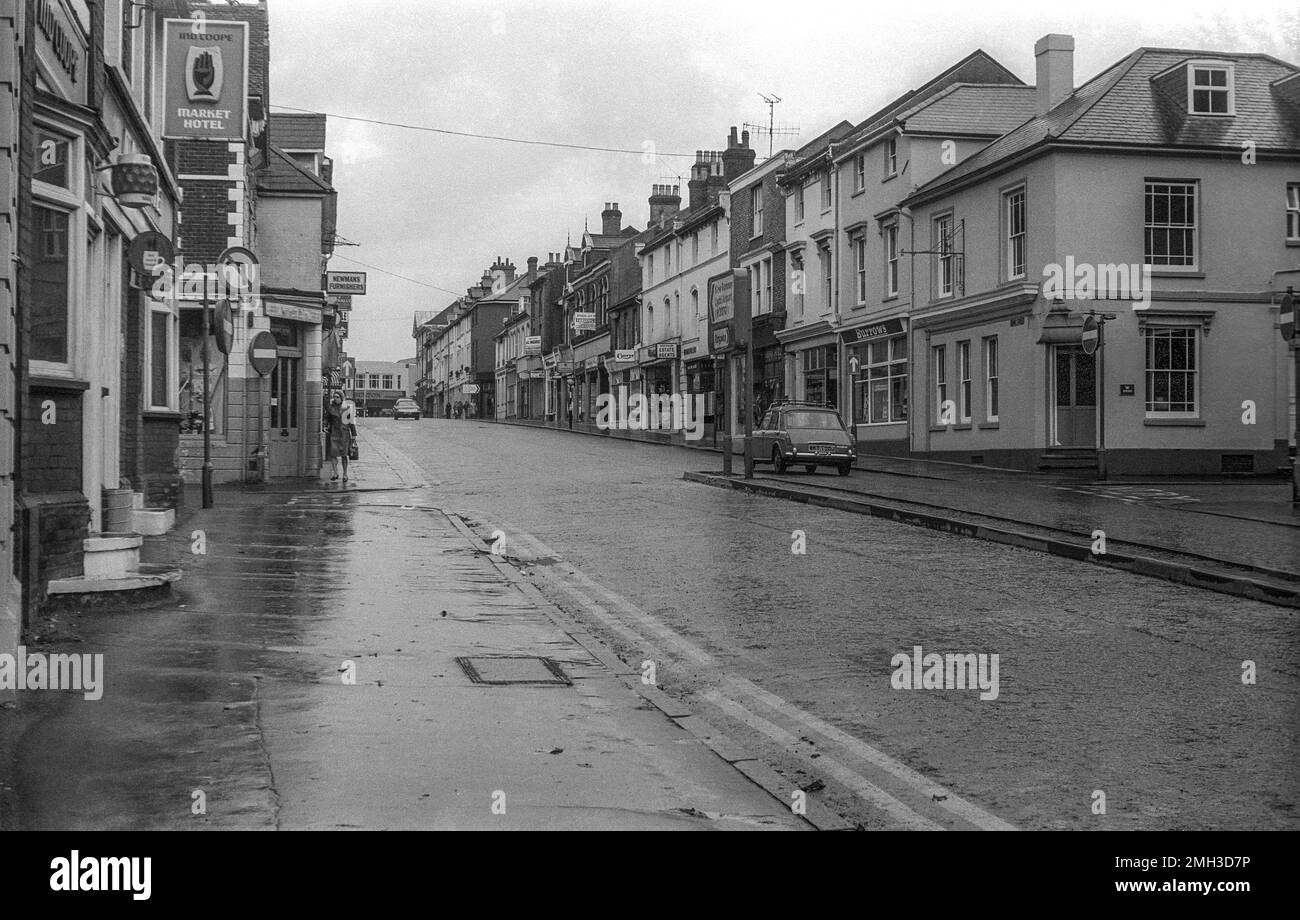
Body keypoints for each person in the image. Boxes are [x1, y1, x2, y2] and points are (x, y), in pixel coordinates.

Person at [323, 392, 356, 483]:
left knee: (344, 455)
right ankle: (335, 473)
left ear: (341, 398)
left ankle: (345, 474)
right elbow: (327, 418)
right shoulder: (331, 408)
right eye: (334, 397)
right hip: (334, 433)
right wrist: (325, 425)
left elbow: (351, 422)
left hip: (344, 434)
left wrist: (354, 434)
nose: (335, 398)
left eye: (337, 397)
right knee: (333, 454)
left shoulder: (346, 409)